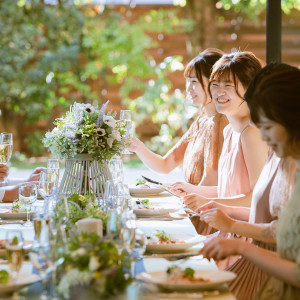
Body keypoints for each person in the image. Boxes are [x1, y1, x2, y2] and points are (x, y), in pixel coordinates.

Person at [197, 63, 297, 300]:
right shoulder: (282, 157)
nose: (262, 135)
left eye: (268, 126)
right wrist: (230, 223)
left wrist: (242, 245)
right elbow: (283, 230)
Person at [171, 51, 269, 211]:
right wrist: (192, 190)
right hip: (226, 226)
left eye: (228, 86)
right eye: (215, 85)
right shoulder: (230, 130)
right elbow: (228, 190)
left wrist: (209, 204)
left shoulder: (251, 133)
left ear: (250, 89)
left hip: (246, 232)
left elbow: (258, 198)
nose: (218, 92)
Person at [127, 48, 228, 187]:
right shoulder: (201, 121)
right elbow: (165, 164)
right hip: (194, 201)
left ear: (213, 82)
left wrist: (186, 192)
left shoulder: (222, 122)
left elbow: (213, 181)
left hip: (204, 204)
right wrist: (138, 147)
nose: (189, 88)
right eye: (188, 81)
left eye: (194, 81)